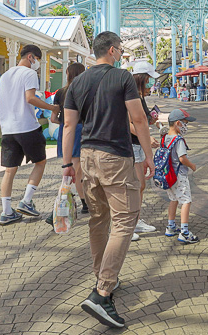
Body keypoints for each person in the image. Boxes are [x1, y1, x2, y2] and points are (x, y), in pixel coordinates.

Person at [62, 32, 153, 328]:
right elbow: (139, 119)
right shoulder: (122, 77)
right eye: (121, 50)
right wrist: (150, 155)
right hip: (115, 156)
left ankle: (102, 275)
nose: (121, 54)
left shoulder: (78, 82)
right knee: (126, 218)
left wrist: (67, 164)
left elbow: (68, 125)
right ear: (112, 50)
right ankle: (102, 293)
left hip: (86, 155)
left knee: (99, 219)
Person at [0, 45, 58, 226]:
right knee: (40, 162)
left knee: (9, 170)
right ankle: (26, 201)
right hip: (27, 127)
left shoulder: (6, 75)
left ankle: (7, 212)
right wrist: (52, 107)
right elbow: (30, 98)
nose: (37, 63)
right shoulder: (29, 73)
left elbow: (0, 100)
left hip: (7, 129)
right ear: (31, 57)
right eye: (37, 59)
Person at [49, 63, 88, 220]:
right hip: (79, 130)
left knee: (70, 169)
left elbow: (53, 117)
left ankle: (66, 201)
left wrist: (65, 125)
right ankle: (82, 203)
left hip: (64, 131)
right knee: (78, 171)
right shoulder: (83, 91)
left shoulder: (60, 92)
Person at [130, 60, 161, 240]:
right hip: (132, 144)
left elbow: (141, 120)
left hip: (139, 144)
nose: (151, 82)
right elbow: (130, 123)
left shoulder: (140, 96)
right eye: (149, 78)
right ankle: (128, 224)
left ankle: (136, 219)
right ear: (142, 78)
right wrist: (146, 138)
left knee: (140, 186)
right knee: (136, 185)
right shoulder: (130, 94)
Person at [161, 109, 199, 244]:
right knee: (186, 201)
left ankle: (170, 227)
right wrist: (192, 165)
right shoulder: (179, 140)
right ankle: (185, 232)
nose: (186, 126)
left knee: (173, 199)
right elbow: (182, 158)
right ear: (177, 123)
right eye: (185, 123)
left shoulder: (165, 137)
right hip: (179, 176)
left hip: (169, 175)